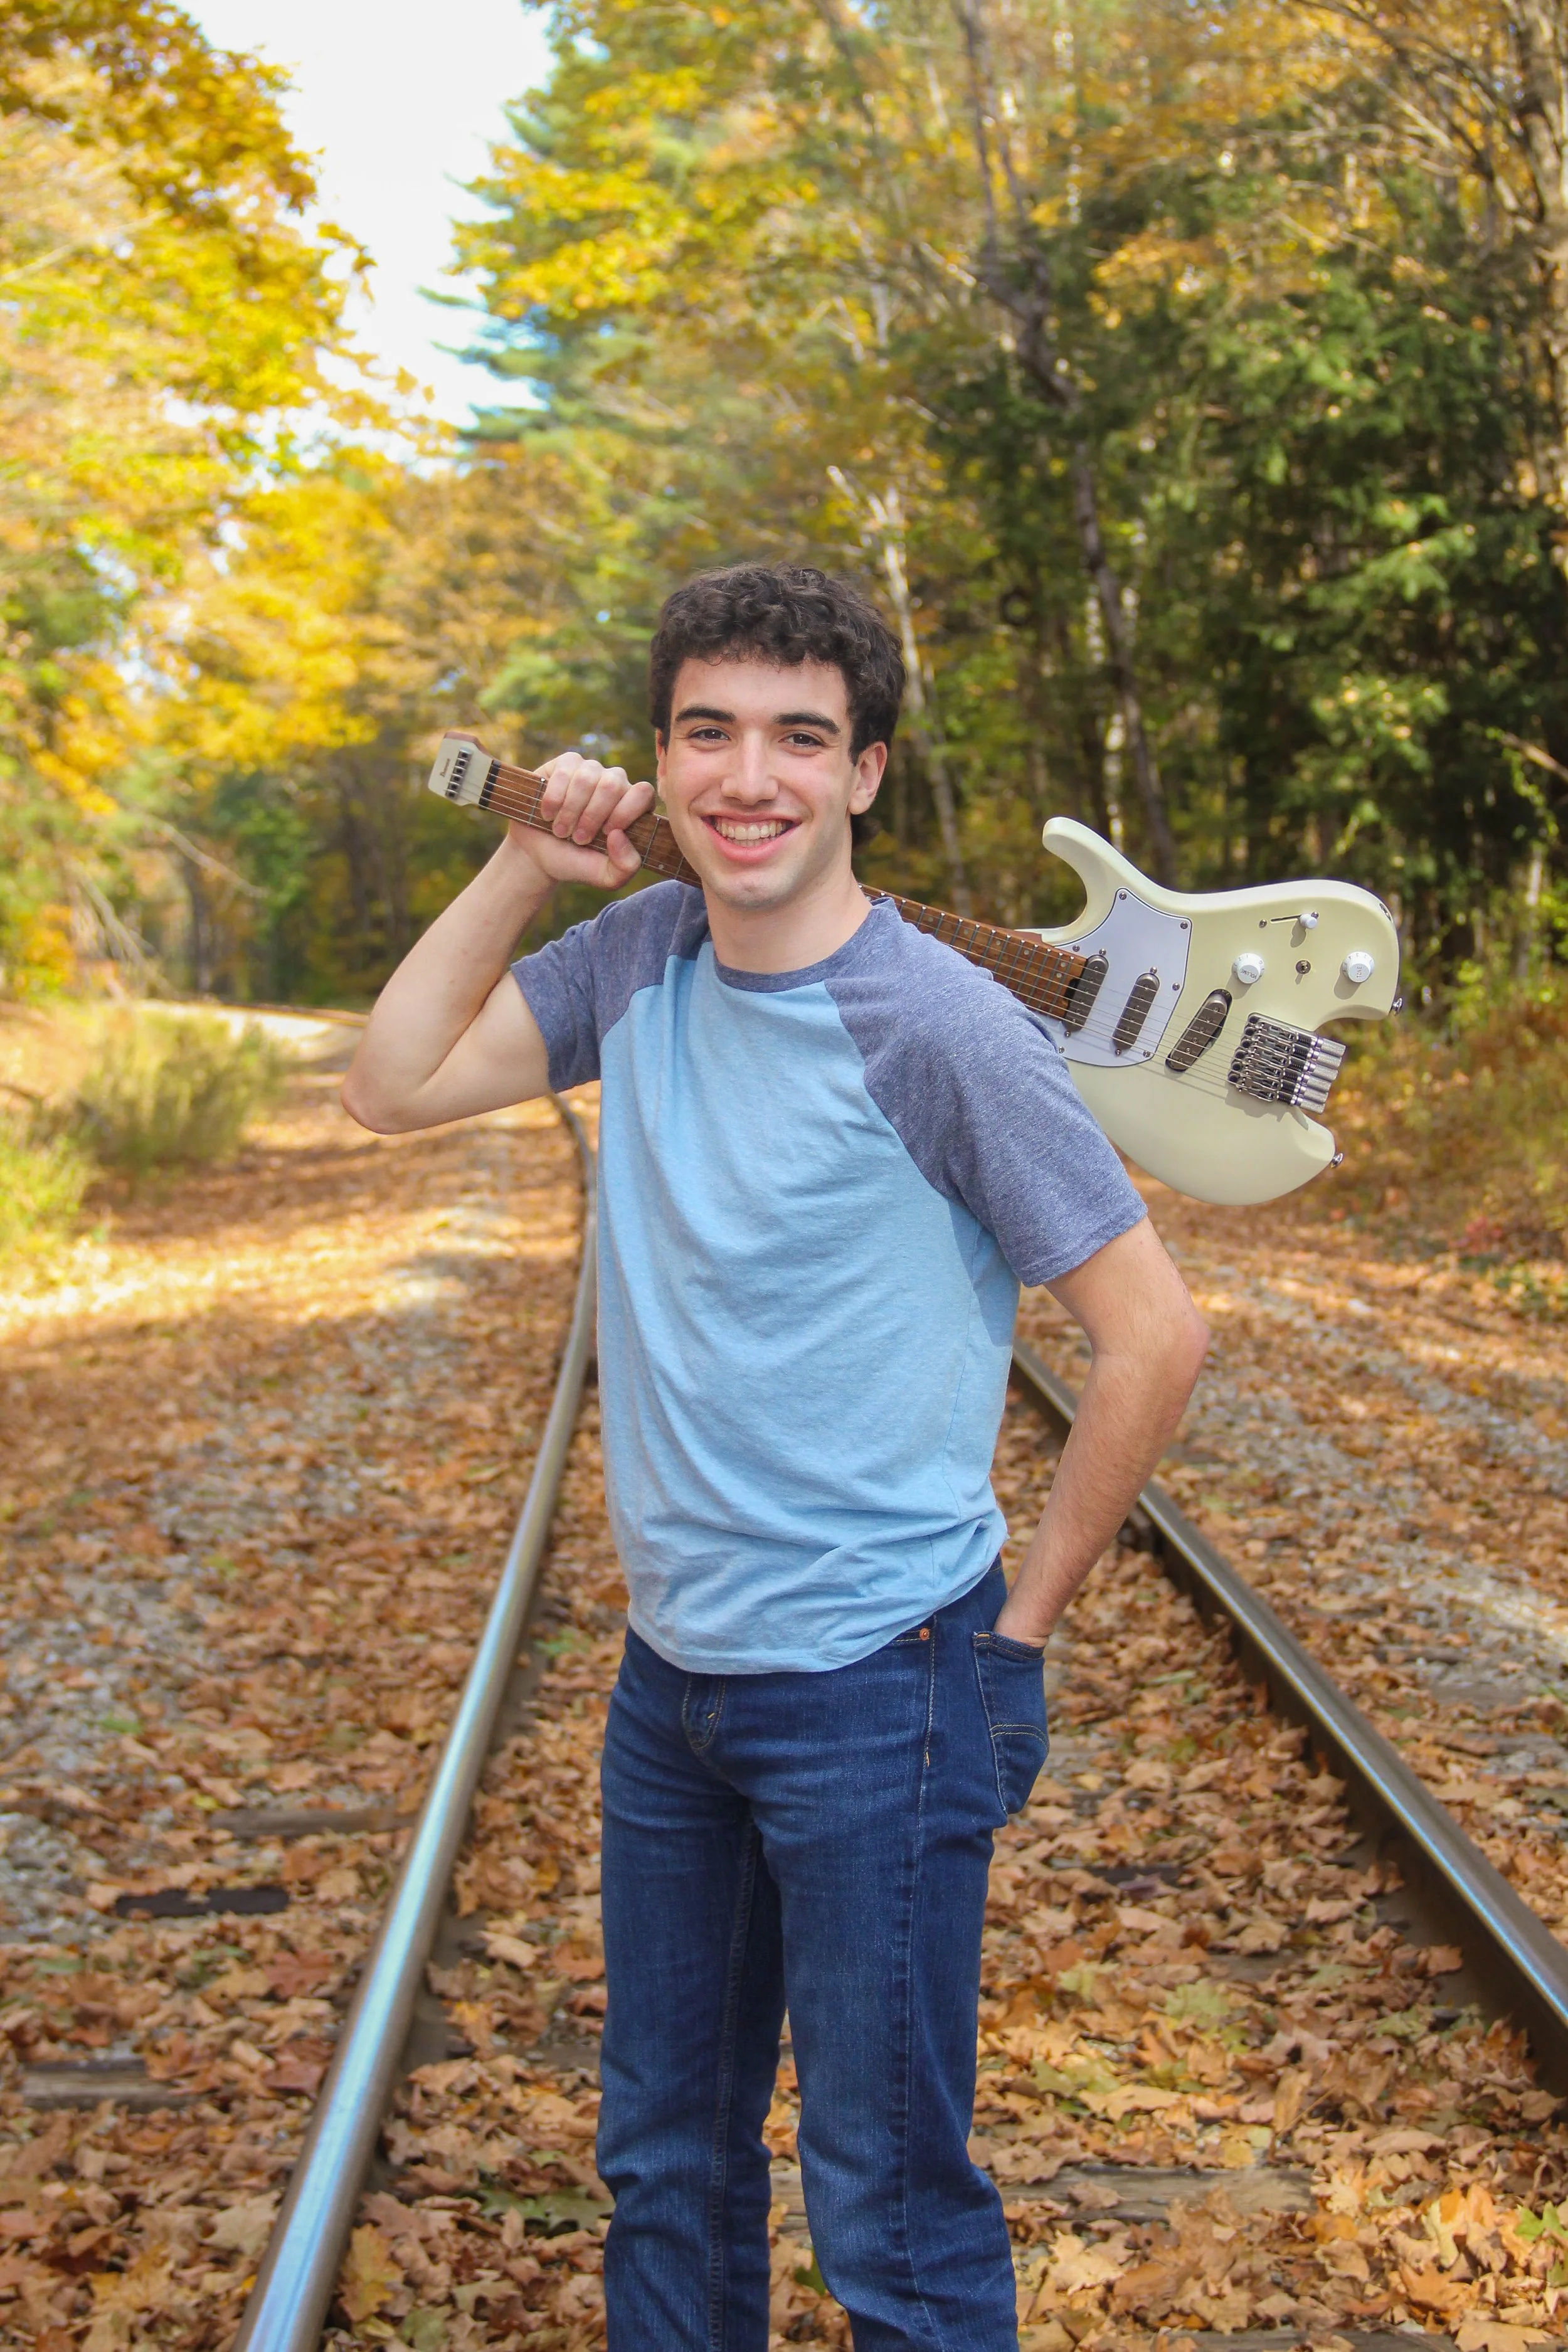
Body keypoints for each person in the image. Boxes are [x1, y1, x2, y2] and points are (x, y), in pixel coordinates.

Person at [341, 563, 1208, 2351]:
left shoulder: (945, 1026)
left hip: (882, 1684)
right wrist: (522, 862)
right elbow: (391, 1080)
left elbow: (1153, 1334)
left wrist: (1019, 1633)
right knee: (665, 2159)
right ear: (654, 761)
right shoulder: (632, 957)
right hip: (675, 1688)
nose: (750, 779)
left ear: (864, 773)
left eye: (798, 739)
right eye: (707, 733)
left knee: (887, 2208)